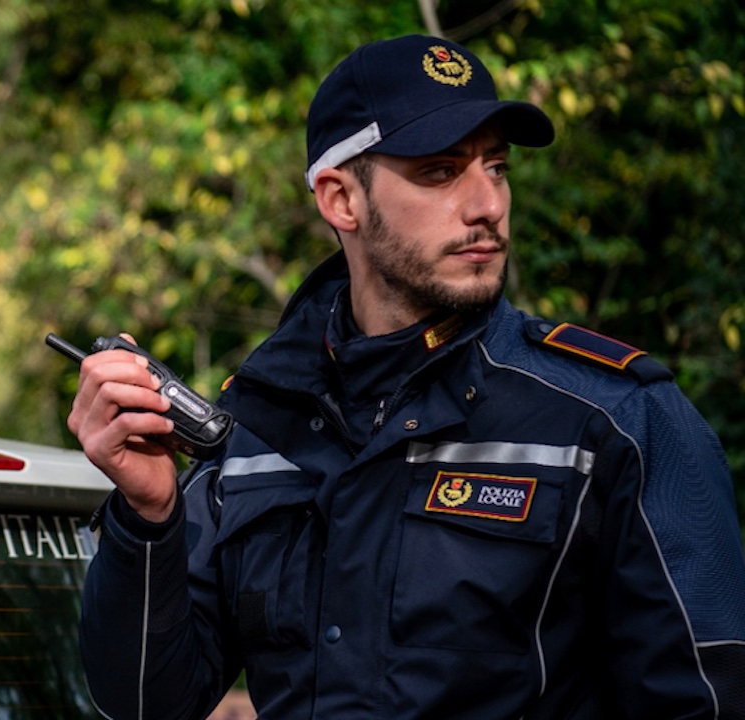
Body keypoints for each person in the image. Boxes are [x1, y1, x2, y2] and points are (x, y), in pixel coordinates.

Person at [67, 34, 745, 719]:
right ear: (341, 200)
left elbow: (706, 703)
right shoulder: (257, 433)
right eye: (441, 171)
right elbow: (147, 704)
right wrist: (148, 519)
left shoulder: (618, 421)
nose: (488, 205)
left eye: (498, 167)